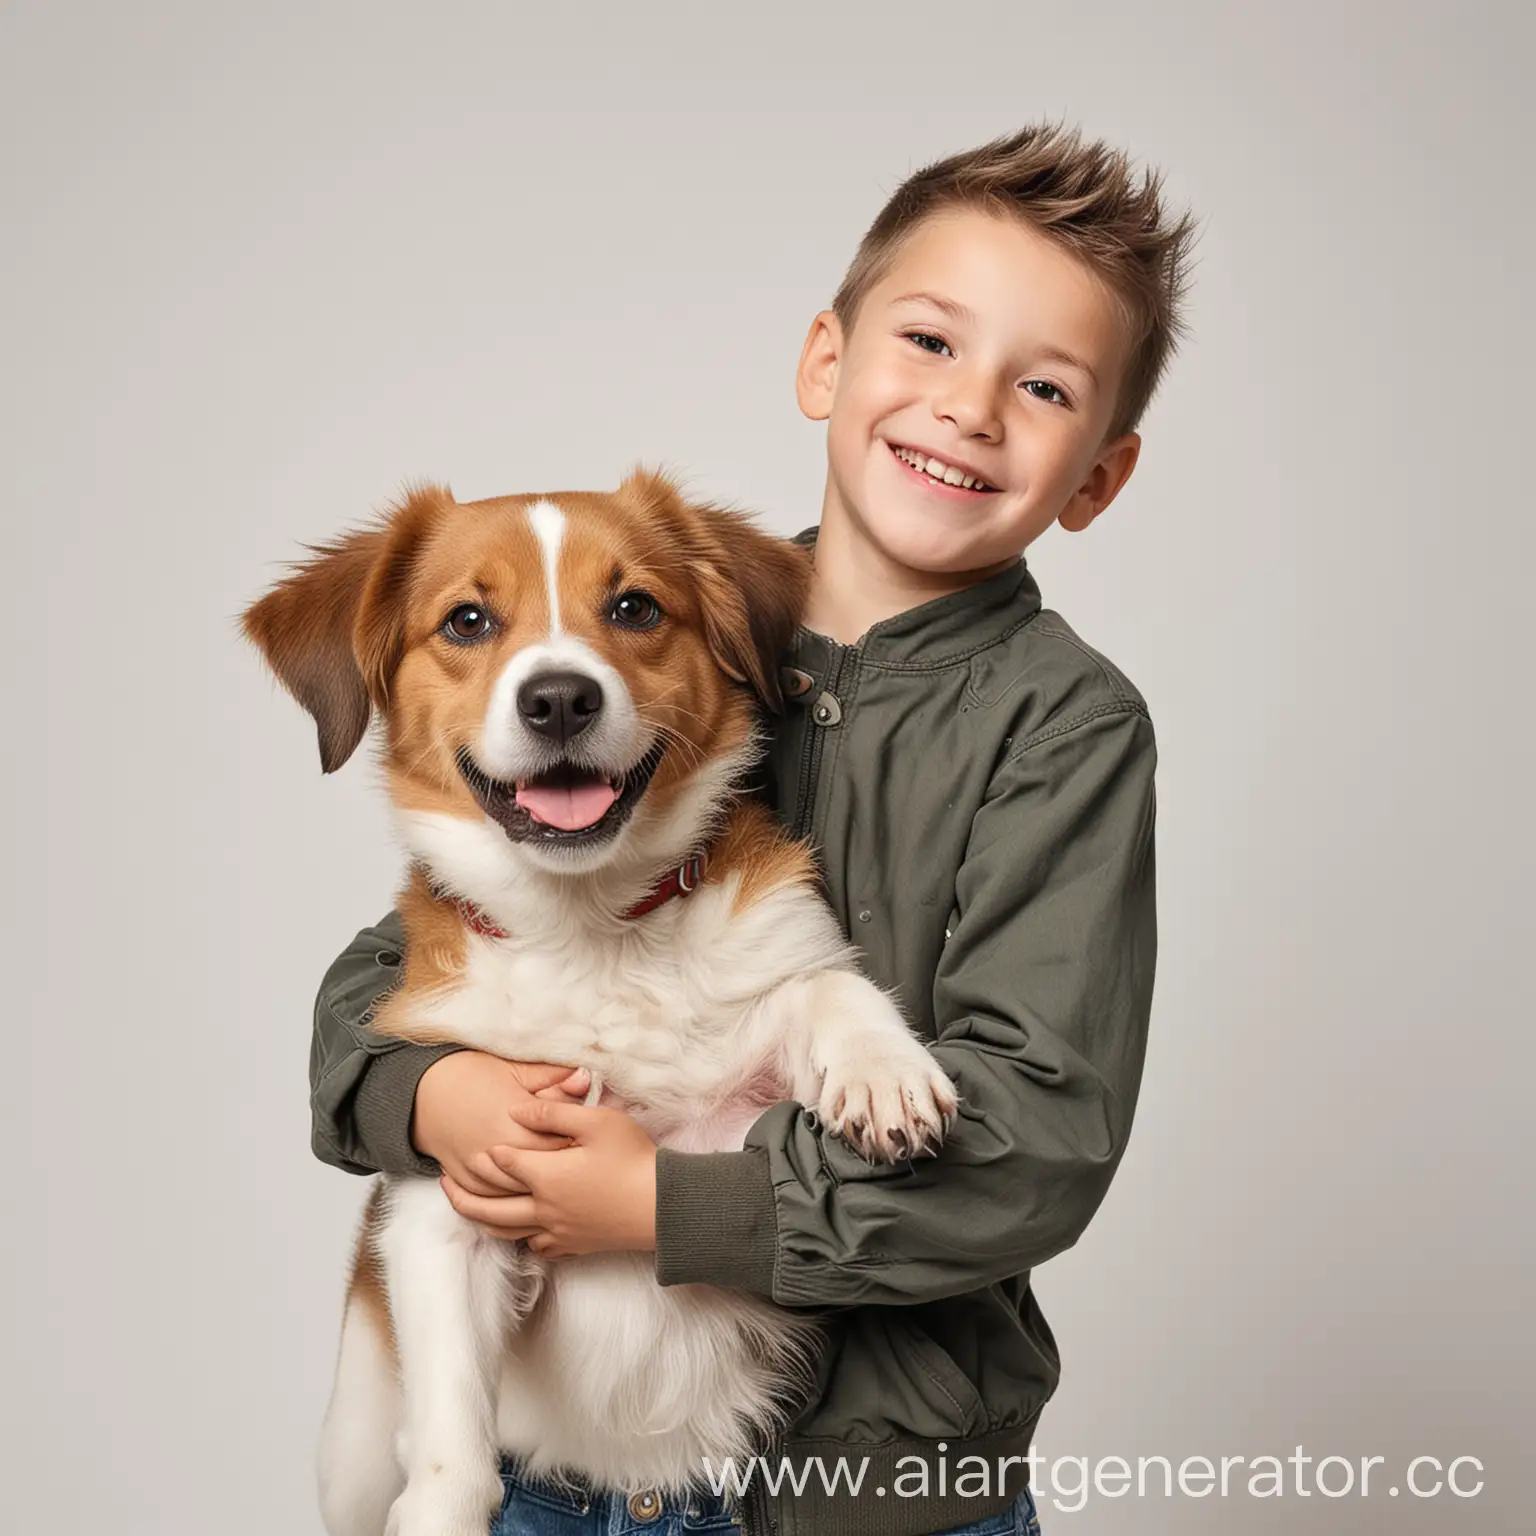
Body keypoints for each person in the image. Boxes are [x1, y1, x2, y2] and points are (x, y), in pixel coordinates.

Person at [307, 120, 1198, 1536]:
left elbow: (1035, 1133)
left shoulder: (1059, 727)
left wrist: (666, 1205)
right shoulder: (670, 631)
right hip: (560, 1479)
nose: (967, 408)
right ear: (826, 363)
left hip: (877, 1489)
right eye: (928, 341)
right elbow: (395, 974)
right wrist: (429, 1096)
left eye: (1039, 385)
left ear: (1097, 474)